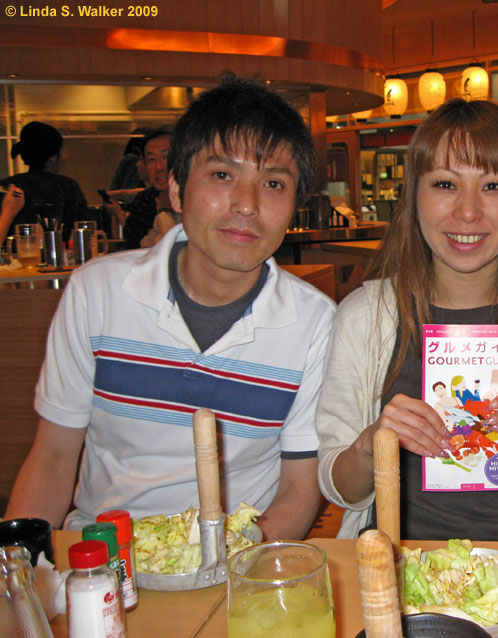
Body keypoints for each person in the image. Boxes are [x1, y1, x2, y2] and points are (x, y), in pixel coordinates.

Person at [4, 76, 336, 540]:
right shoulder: (97, 292)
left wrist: (230, 573)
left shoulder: (316, 324)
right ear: (177, 190)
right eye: (222, 175)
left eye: (274, 183)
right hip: (104, 557)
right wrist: (19, 573)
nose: (247, 205)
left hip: (239, 562)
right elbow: (54, 457)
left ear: (294, 206)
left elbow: (300, 490)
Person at [316, 98, 498, 542]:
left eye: (493, 186)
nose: (468, 212)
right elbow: (341, 491)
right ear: (414, 194)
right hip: (402, 562)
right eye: (444, 184)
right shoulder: (365, 317)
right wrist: (371, 444)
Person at [0, 121, 88, 242]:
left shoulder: (8, 187)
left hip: (14, 258)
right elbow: (83, 227)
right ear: (53, 157)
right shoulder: (67, 186)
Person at [121, 128, 175, 248]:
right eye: (151, 160)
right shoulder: (145, 200)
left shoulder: (196, 198)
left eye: (165, 157)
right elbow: (133, 246)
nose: (159, 167)